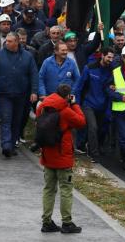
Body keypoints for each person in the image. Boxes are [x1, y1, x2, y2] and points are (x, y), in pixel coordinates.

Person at [37, 83, 86, 234]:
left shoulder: (43, 107)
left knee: (48, 189)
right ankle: (67, 222)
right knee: (66, 189)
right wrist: (75, 104)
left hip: (47, 155)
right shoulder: (65, 111)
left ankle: (46, 222)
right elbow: (81, 121)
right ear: (67, 97)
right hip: (63, 157)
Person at [0, 32, 38, 158]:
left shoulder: (27, 56)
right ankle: (6, 145)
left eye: (9, 41)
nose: (6, 43)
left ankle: (12, 144)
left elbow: (34, 74)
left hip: (21, 93)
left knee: (17, 120)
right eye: (6, 41)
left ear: (16, 42)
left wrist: (34, 91)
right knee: (6, 119)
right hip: (4, 93)